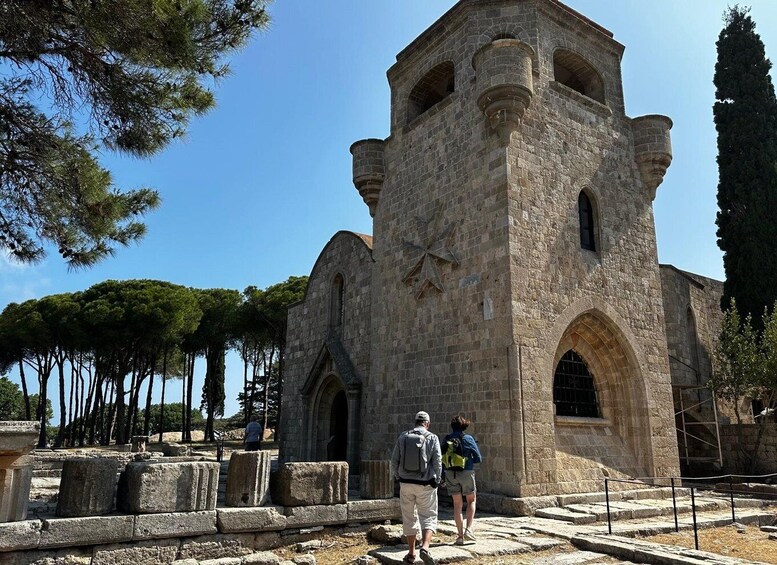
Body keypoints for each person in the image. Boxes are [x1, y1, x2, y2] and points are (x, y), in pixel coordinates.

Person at [390, 411, 442, 565]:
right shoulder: (432, 437)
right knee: (428, 516)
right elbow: (437, 462)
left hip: (406, 483)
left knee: (409, 517)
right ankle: (425, 547)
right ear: (427, 423)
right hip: (425, 484)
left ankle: (411, 553)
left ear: (416, 422)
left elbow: (394, 460)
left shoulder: (403, 436)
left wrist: (398, 477)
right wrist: (437, 480)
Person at [441, 415, 482, 545]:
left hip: (450, 474)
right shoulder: (468, 438)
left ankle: (459, 537)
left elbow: (441, 458)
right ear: (464, 426)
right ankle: (468, 530)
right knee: (471, 500)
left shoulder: (447, 439)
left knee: (457, 505)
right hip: (466, 472)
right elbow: (478, 458)